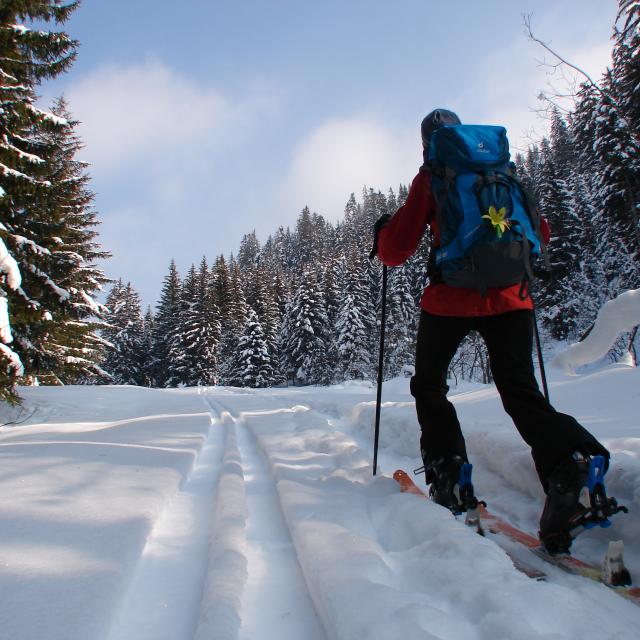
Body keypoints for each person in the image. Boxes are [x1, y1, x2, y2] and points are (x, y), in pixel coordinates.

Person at [374, 108, 614, 554]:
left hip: (451, 300)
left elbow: (396, 250)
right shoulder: (504, 171)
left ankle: (450, 479)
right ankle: (571, 459)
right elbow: (539, 233)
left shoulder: (432, 174)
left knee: (429, 387)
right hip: (512, 299)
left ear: (427, 141)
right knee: (520, 389)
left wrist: (383, 232)